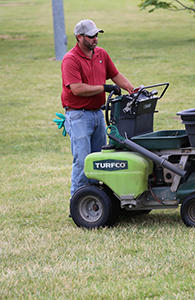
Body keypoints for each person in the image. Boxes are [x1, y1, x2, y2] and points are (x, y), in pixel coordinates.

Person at [61, 19, 135, 196]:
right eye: (91, 36)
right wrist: (105, 87)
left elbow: (115, 75)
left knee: (98, 161)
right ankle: (77, 201)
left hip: (97, 115)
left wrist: (132, 89)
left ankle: (96, 199)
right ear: (79, 37)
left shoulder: (101, 54)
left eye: (96, 35)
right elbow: (77, 89)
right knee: (83, 161)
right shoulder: (70, 59)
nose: (95, 39)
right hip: (78, 116)